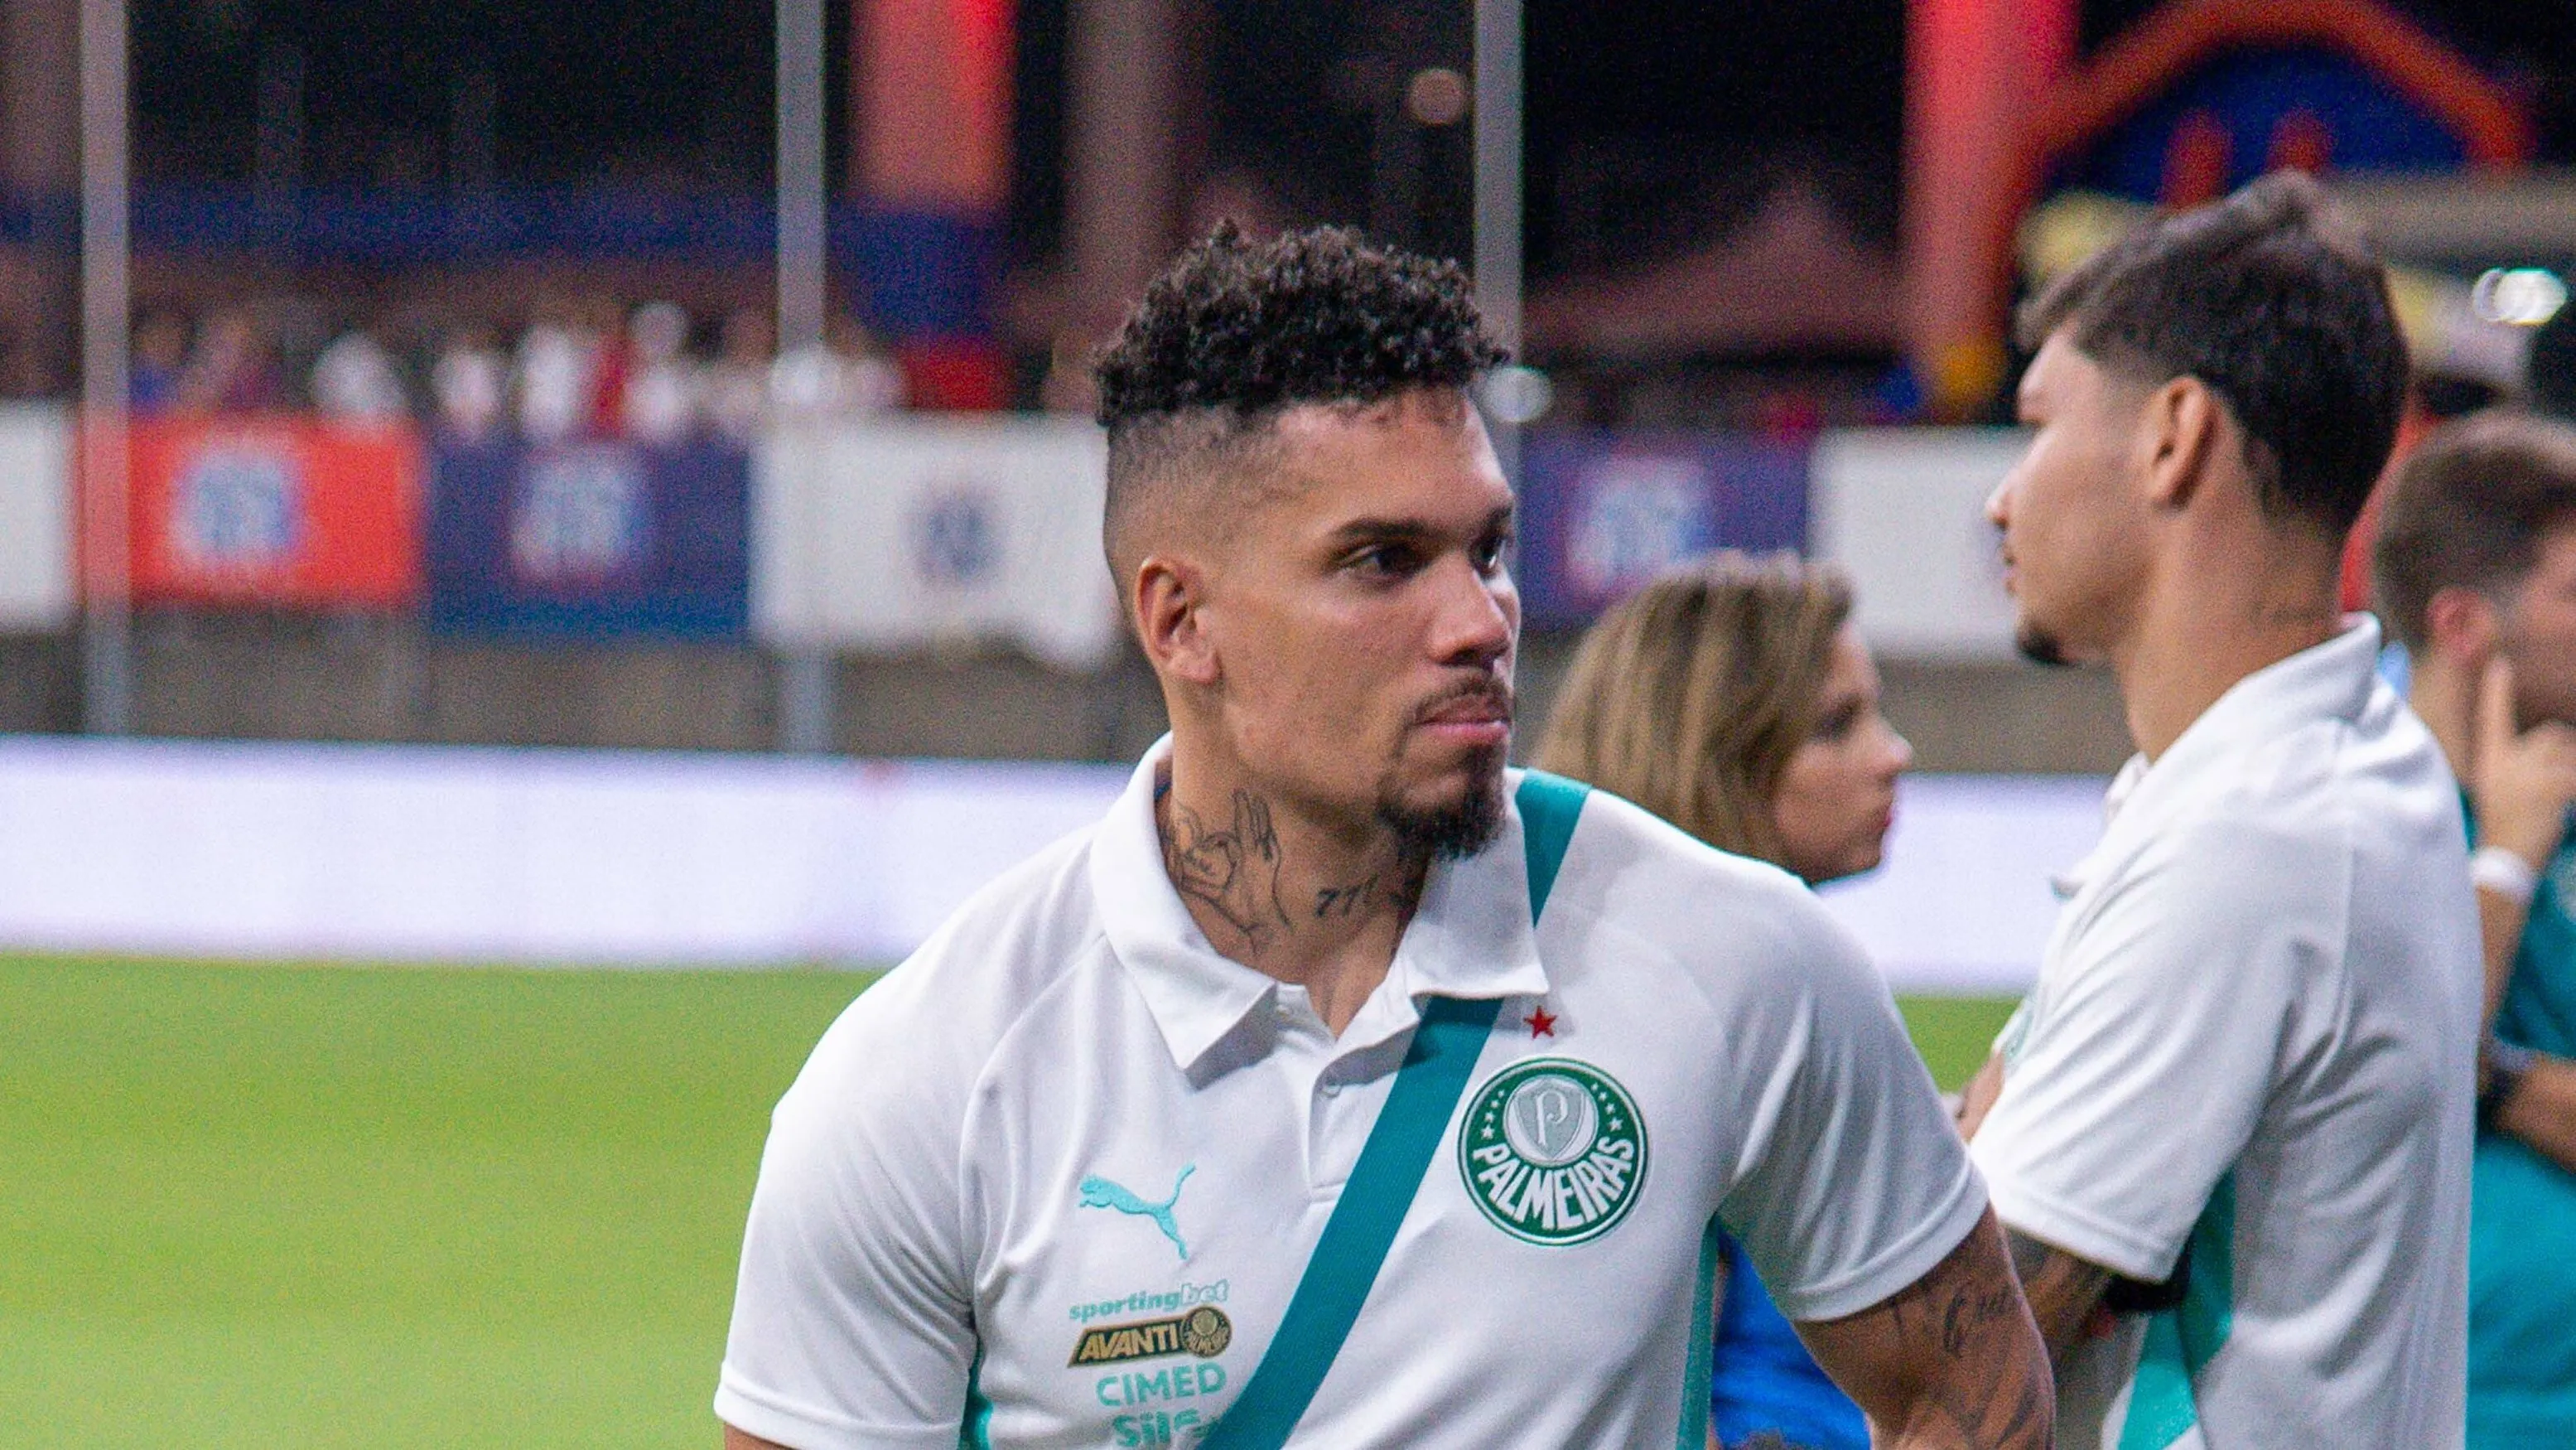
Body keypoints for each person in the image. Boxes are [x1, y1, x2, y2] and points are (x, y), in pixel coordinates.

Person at [715, 225, 2050, 1450]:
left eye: (1488, 550)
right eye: (1380, 561)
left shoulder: (1736, 958)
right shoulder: (928, 1078)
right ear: (1180, 620)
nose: (1479, 620)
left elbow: (1970, 1392)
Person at [1958, 171, 2481, 1448]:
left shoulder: (2250, 834)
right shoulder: (2349, 760)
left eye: (2035, 425)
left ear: (2172, 434)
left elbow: (1963, 1361)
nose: (2000, 494)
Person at [1532, 551, 1915, 1450]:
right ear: (1713, 754)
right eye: (1835, 725)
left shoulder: (1756, 987)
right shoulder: (1663, 1030)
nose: (1891, 754)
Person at [2374, 412, 2576, 1447]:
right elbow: (2384, 1079)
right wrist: (2501, 860)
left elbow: (2430, 1055)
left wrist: (2486, 1079)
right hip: (2433, 1403)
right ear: (2462, 626)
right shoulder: (2342, 820)